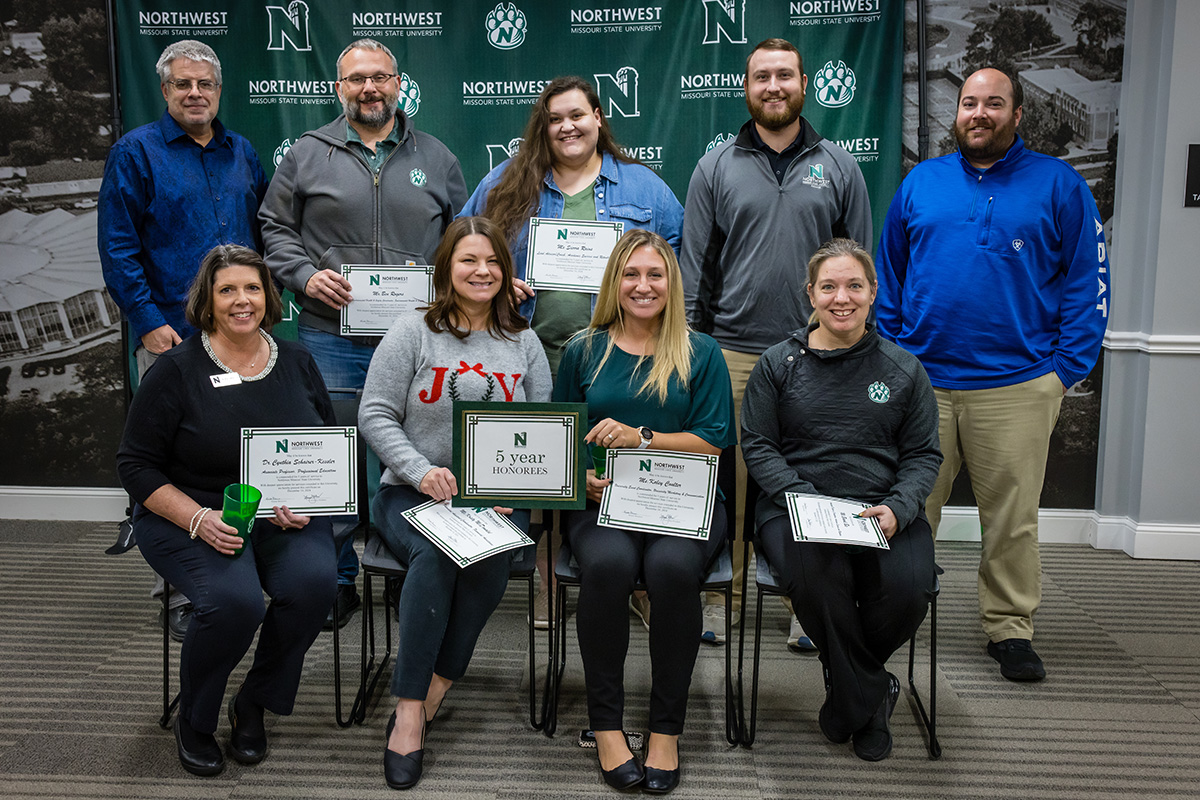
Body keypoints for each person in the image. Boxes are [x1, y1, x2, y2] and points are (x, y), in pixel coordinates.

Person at [876, 67, 1110, 682]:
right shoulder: (921, 182)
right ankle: (895, 615)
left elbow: (1089, 284)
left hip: (1017, 384)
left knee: (1010, 516)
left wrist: (1063, 372)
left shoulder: (1059, 186)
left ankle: (1009, 628)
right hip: (922, 384)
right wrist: (898, 357)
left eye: (994, 104)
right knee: (907, 507)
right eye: (969, 103)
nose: (978, 114)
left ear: (1018, 114)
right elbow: (889, 277)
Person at [461, 74, 683, 628]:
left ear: (598, 118)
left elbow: (677, 268)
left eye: (577, 115)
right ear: (544, 125)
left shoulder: (645, 190)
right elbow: (463, 248)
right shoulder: (507, 183)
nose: (567, 126)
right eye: (555, 118)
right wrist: (499, 278)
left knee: (625, 457)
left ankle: (640, 581)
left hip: (623, 354)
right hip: (533, 350)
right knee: (549, 472)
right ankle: (548, 580)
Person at [260, 38, 467, 628]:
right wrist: (303, 275)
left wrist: (447, 291)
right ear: (339, 87)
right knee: (337, 458)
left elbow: (463, 239)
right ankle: (337, 578)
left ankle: (410, 569)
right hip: (332, 337)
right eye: (357, 79)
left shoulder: (437, 156)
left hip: (421, 338)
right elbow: (274, 227)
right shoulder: (306, 154)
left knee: (418, 453)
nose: (369, 88)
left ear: (399, 84)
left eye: (380, 77)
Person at [116, 245, 337, 777]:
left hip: (279, 517)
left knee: (314, 584)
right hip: (190, 515)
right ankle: (196, 718)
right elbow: (136, 465)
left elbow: (326, 447)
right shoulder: (175, 370)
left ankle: (254, 702)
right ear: (207, 302)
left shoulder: (299, 361)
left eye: (253, 288)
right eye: (228, 290)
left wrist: (305, 498)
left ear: (269, 295)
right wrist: (196, 517)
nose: (243, 300)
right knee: (236, 602)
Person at [680, 38, 872, 647]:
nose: (772, 87)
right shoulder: (715, 166)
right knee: (728, 486)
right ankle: (725, 600)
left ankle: (807, 606)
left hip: (817, 354)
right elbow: (694, 266)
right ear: (746, 87)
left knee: (815, 477)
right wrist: (691, 345)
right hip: (731, 350)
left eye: (783, 76)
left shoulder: (839, 166)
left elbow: (857, 266)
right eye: (761, 76)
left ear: (803, 83)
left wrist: (848, 342)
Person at [358, 217, 552, 791]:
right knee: (439, 557)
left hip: (495, 497)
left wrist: (509, 493)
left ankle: (437, 683)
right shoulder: (412, 330)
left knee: (491, 558)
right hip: (410, 494)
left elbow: (540, 430)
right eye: (469, 260)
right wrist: (421, 472)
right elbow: (375, 413)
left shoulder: (524, 340)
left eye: (493, 262)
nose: (482, 271)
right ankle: (412, 709)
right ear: (446, 268)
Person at [741, 238, 942, 761]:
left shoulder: (904, 369)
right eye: (828, 286)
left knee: (911, 587)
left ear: (873, 292)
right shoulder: (777, 364)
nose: (841, 298)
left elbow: (923, 455)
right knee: (815, 579)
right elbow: (759, 445)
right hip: (795, 508)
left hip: (882, 509)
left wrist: (899, 509)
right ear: (811, 293)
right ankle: (871, 699)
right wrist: (804, 500)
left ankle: (851, 687)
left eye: (855, 285)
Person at [553, 229, 735, 793]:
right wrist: (579, 478)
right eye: (631, 274)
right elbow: (561, 434)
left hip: (684, 499)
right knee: (606, 568)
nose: (643, 285)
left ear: (671, 284)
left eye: (655, 275)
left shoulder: (699, 351)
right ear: (614, 282)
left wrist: (642, 438)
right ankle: (606, 726)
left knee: (672, 571)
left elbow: (713, 440)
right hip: (600, 499)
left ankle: (665, 731)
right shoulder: (584, 348)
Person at [100, 39, 269, 642]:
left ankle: (249, 561)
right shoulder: (135, 153)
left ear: (218, 91)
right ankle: (177, 589)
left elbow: (262, 238)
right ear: (165, 90)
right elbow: (118, 247)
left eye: (204, 85)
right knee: (169, 457)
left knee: (238, 445)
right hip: (171, 330)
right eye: (181, 85)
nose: (194, 94)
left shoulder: (242, 152)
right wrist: (146, 321)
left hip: (242, 330)